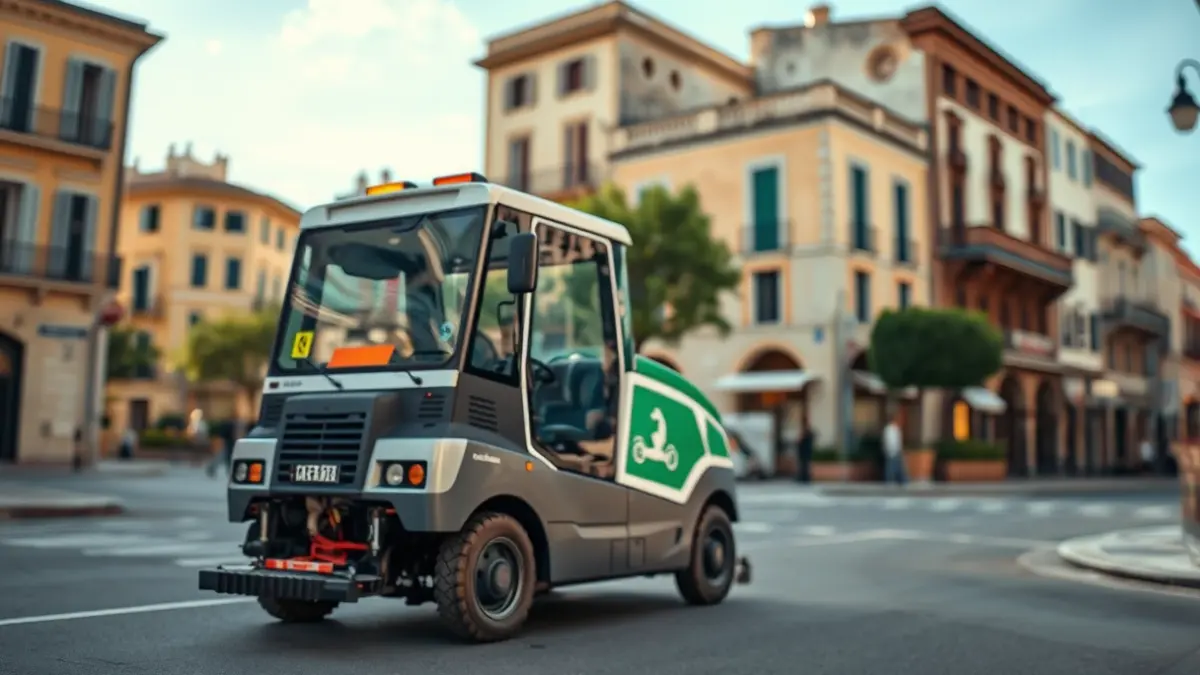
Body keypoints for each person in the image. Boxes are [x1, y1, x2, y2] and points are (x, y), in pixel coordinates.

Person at [883, 412, 907, 485]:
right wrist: (890, 451)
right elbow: (888, 442)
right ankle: (889, 482)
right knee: (890, 469)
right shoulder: (889, 429)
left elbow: (898, 442)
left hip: (897, 452)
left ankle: (903, 482)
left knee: (899, 468)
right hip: (892, 452)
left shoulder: (896, 429)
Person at [795, 414, 814, 484]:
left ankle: (804, 477)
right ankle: (805, 477)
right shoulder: (808, 431)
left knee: (803, 464)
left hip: (804, 451)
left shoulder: (805, 431)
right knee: (805, 465)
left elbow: (800, 440)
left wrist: (798, 441)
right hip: (807, 451)